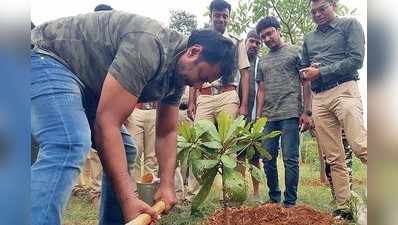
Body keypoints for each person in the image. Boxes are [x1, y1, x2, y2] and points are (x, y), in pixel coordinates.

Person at [31, 10, 236, 225]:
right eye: (202, 77)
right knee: (69, 142)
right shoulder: (148, 47)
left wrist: (166, 184)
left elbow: (167, 132)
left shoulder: (179, 73)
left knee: (126, 149)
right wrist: (129, 199)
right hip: (46, 56)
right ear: (194, 52)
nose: (198, 86)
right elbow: (107, 123)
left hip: (85, 82)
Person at [301, 0, 367, 220]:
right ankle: (344, 208)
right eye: (313, 11)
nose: (317, 14)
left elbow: (356, 60)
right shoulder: (309, 39)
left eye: (322, 9)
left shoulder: (350, 25)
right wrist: (307, 74)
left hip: (344, 90)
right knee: (334, 157)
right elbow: (304, 68)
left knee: (360, 145)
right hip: (319, 98)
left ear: (334, 5)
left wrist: (322, 71)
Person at [255, 16, 311, 208]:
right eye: (263, 37)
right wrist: (258, 117)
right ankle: (273, 197)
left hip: (290, 114)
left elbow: (306, 82)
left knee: (290, 159)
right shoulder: (262, 61)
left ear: (279, 30)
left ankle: (290, 202)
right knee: (267, 159)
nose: (267, 39)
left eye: (270, 33)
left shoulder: (296, 52)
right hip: (268, 117)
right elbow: (261, 90)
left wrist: (307, 111)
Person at [187, 0, 251, 123]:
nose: (221, 19)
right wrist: (191, 102)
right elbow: (194, 71)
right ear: (211, 16)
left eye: (225, 16)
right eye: (217, 15)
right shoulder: (201, 40)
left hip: (228, 97)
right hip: (204, 97)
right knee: (202, 139)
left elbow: (245, 73)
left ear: (229, 18)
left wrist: (244, 105)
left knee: (228, 140)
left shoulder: (237, 42)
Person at [236, 30, 262, 198]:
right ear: (245, 42)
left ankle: (256, 192)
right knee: (239, 155)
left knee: (255, 157)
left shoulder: (262, 63)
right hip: (238, 117)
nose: (254, 45)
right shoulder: (237, 61)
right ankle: (240, 190)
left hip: (255, 118)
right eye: (251, 41)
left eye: (257, 43)